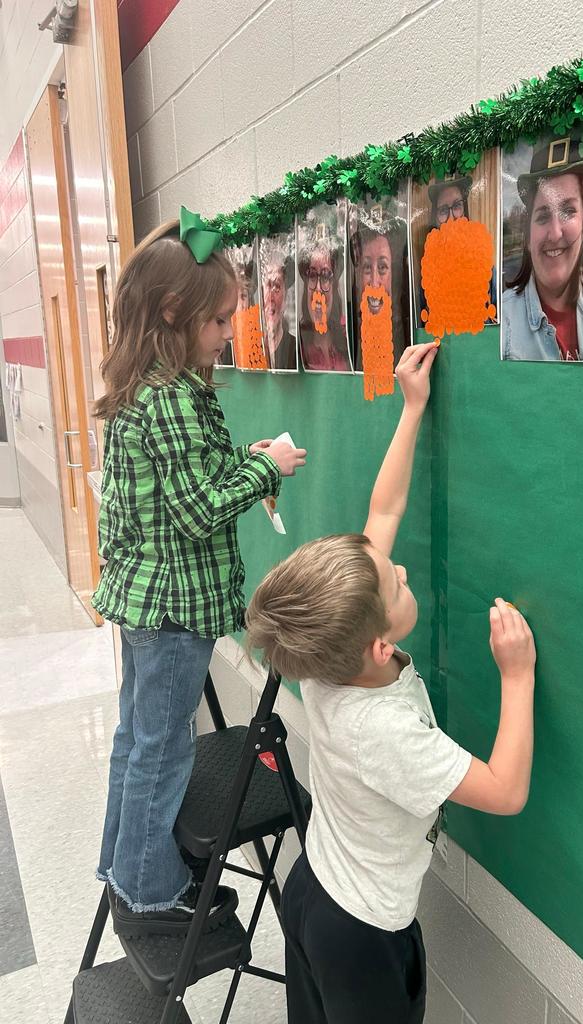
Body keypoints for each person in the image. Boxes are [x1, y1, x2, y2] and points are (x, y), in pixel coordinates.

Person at [246, 342, 536, 1024]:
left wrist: (412, 409)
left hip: (312, 884)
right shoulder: (384, 731)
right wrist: (516, 677)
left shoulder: (325, 654)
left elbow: (383, 513)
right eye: (396, 581)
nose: (399, 568)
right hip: (361, 933)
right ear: (381, 643)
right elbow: (505, 790)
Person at [91, 213, 307, 937]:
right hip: (174, 613)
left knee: (134, 736)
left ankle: (121, 862)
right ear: (176, 316)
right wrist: (263, 468)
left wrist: (235, 462)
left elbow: (171, 488)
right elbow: (194, 512)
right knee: (163, 746)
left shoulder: (142, 388)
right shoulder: (174, 397)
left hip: (142, 604)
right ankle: (151, 891)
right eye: (218, 321)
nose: (226, 335)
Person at [502, 129, 583, 362]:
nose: (555, 232)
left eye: (568, 211)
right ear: (528, 238)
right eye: (542, 216)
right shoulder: (503, 321)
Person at [420, 175, 498, 318]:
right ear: (435, 220)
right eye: (443, 210)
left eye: (456, 206)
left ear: (465, 210)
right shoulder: (429, 271)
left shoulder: (484, 265)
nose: (451, 218)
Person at [350, 219, 409, 370]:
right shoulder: (352, 335)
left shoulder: (408, 333)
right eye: (367, 268)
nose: (374, 282)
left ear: (394, 275)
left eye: (382, 267)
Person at [297, 234, 351, 372]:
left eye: (326, 276)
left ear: (334, 285)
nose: (318, 289)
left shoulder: (350, 336)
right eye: (313, 276)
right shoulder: (296, 347)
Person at [260, 237, 297, 371]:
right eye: (267, 286)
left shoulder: (296, 349)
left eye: (276, 287)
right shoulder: (249, 348)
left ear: (286, 296)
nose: (270, 297)